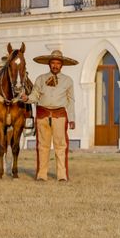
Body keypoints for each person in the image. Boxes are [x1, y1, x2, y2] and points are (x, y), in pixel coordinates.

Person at [21, 50, 77, 181]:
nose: (55, 65)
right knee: (42, 146)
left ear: (61, 65)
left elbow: (71, 101)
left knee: (61, 146)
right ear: (49, 64)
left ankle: (62, 175)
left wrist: (72, 119)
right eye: (53, 63)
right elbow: (35, 96)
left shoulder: (68, 81)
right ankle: (41, 175)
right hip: (43, 116)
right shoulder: (40, 79)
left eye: (58, 63)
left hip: (60, 116)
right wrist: (26, 98)